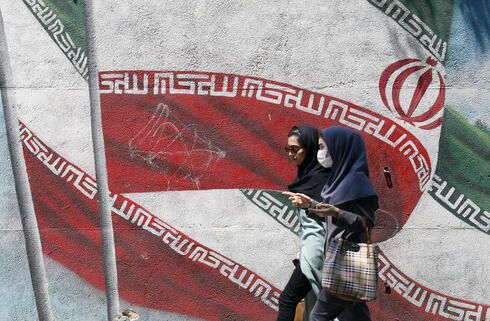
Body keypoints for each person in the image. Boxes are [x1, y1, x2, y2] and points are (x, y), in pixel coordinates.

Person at [284, 126, 378, 321]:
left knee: (317, 317)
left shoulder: (358, 184)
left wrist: (336, 212)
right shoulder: (337, 181)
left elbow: (365, 224)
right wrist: (311, 204)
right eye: (319, 148)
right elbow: (330, 211)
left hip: (346, 263)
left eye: (323, 148)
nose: (321, 154)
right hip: (336, 259)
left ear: (339, 148)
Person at [277, 125, 331, 321]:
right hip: (311, 249)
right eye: (288, 149)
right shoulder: (308, 176)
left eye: (295, 149)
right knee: (316, 306)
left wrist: (312, 205)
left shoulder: (320, 178)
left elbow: (333, 216)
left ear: (309, 148)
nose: (290, 154)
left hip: (316, 251)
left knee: (287, 300)